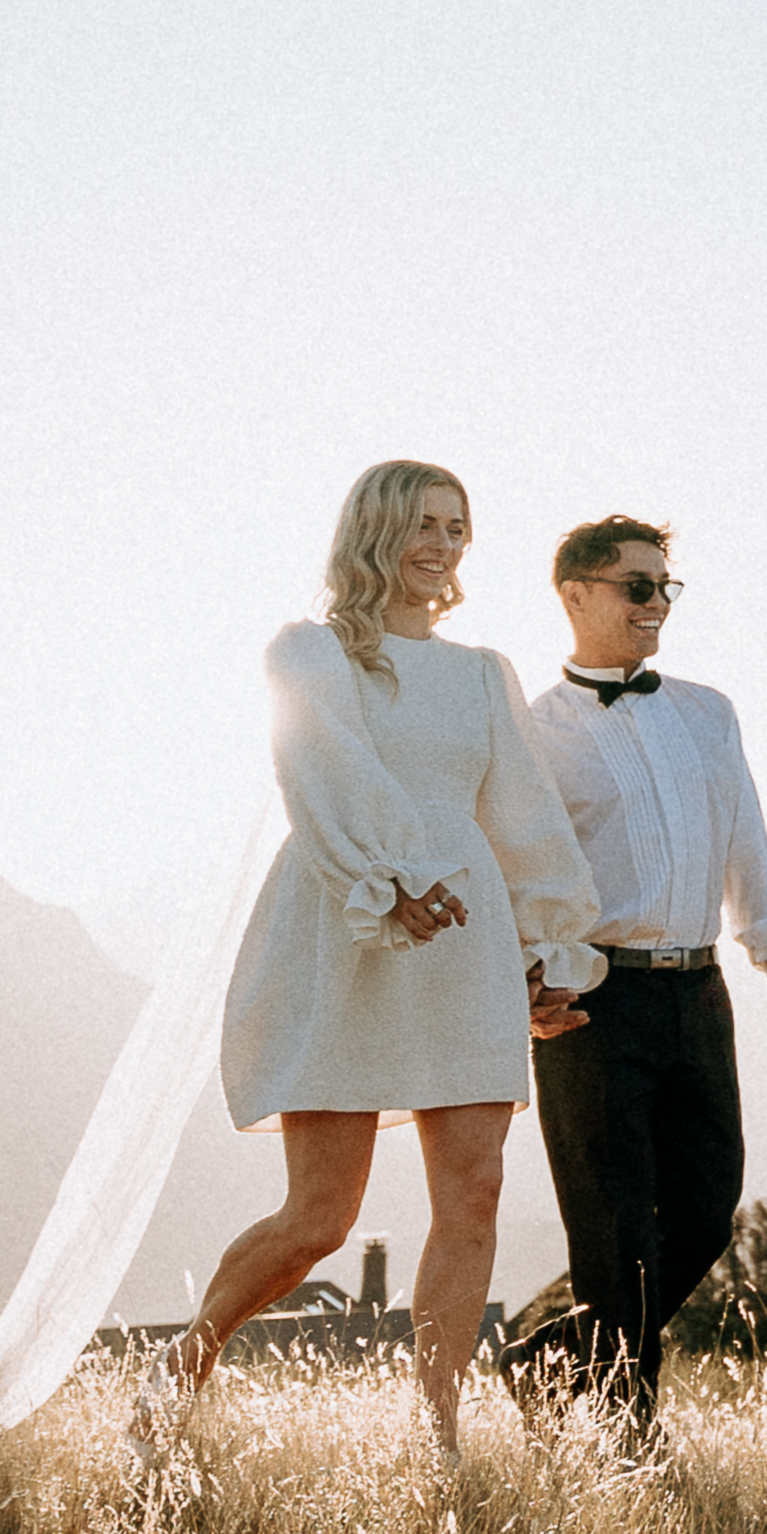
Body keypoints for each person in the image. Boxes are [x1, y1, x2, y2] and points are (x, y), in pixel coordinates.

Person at [172, 458, 606, 1453]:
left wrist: (552, 950)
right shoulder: (310, 653)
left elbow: (526, 815)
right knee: (319, 1216)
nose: (441, 544)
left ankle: (438, 1433)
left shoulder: (484, 672)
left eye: (456, 527)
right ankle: (184, 1364)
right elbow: (327, 767)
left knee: (476, 1189)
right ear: (372, 529)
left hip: (465, 938)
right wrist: (394, 878)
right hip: (349, 921)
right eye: (421, 523)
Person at [498, 512, 767, 1432]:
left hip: (699, 989)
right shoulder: (529, 731)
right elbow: (514, 869)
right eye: (638, 586)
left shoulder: (709, 712)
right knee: (615, 1237)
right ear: (577, 594)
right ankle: (627, 1441)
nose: (656, 605)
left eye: (665, 587)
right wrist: (529, 980)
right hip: (591, 1000)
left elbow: (747, 846)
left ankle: (546, 1361)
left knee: (709, 1209)